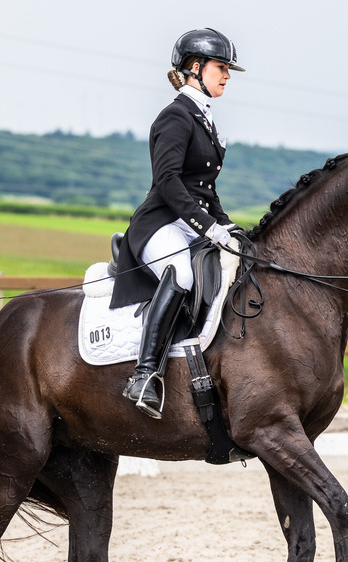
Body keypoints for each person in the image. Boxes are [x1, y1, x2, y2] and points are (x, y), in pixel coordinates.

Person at [109, 27, 244, 419]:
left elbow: (205, 189)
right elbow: (168, 182)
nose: (227, 75)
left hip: (189, 220)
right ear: (196, 67)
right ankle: (145, 374)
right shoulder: (175, 117)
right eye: (222, 67)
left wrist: (227, 226)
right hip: (160, 223)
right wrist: (207, 227)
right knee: (182, 273)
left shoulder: (205, 118)